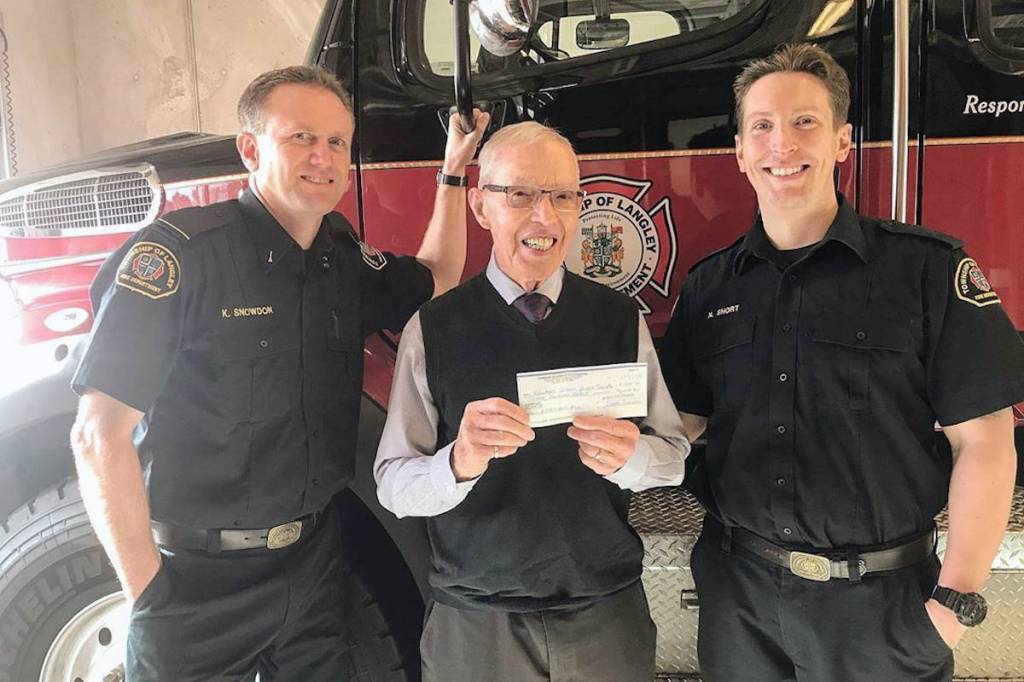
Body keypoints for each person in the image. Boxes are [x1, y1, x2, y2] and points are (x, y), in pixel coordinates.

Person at [69, 65, 488, 680]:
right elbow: (96, 434)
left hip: (311, 570)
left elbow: (437, 276)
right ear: (250, 148)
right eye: (300, 138)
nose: (323, 156)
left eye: (337, 142)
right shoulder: (179, 257)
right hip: (195, 583)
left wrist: (453, 169)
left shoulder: (339, 258)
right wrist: (149, 595)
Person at [661, 43, 1024, 682]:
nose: (783, 145)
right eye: (762, 127)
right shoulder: (709, 287)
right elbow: (685, 424)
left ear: (841, 143)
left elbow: (986, 443)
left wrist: (954, 601)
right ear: (740, 151)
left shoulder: (926, 271)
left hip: (881, 611)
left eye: (806, 122)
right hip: (740, 602)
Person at [374, 121, 690, 682]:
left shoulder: (619, 320)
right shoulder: (434, 327)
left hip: (605, 614)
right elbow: (393, 486)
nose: (545, 217)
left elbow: (672, 459)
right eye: (520, 195)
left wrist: (633, 457)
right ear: (479, 207)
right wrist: (457, 463)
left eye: (564, 196)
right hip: (476, 625)